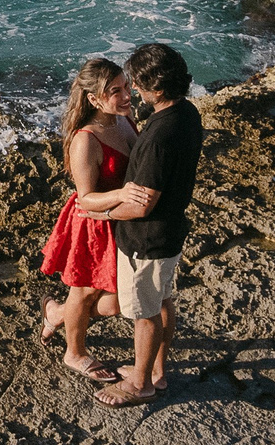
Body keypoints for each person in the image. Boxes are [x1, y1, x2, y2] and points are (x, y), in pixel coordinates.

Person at [80, 42, 201, 408]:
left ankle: (140, 385)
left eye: (136, 85)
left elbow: (142, 203)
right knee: (163, 301)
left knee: (144, 315)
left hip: (146, 240)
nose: (133, 91)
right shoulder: (187, 113)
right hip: (171, 232)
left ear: (156, 88)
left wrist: (102, 214)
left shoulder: (159, 136)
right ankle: (156, 372)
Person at [35, 57, 133, 381]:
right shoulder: (85, 140)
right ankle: (74, 353)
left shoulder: (124, 119)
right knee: (85, 292)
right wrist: (123, 194)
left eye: (127, 86)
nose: (127, 95)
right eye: (115, 91)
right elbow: (86, 198)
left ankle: (56, 313)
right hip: (95, 225)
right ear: (93, 99)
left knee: (118, 301)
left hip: (123, 220)